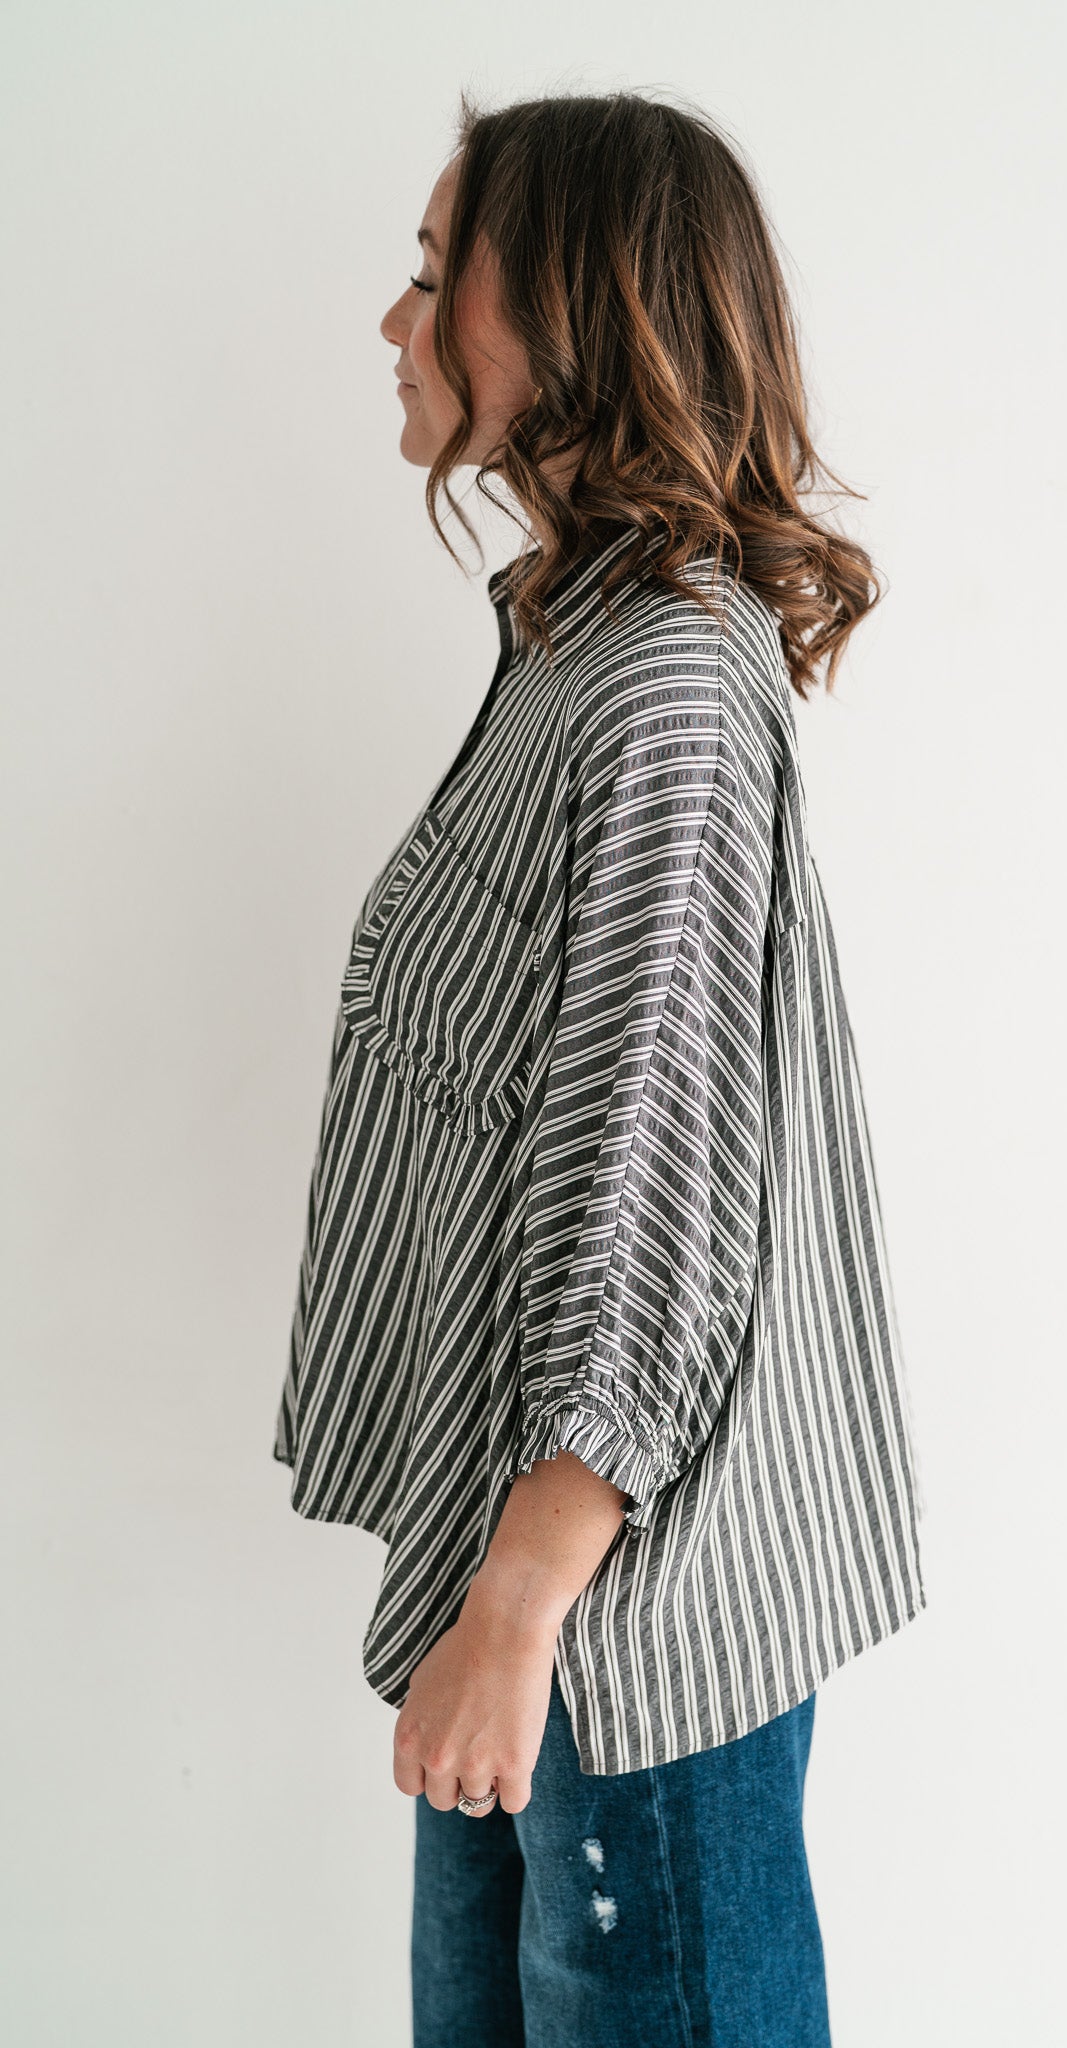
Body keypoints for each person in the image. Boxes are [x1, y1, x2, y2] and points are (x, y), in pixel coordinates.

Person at [273, 88, 927, 2048]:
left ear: (559, 310)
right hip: (536, 1581)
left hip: (612, 1622)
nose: (393, 321)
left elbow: (652, 1183)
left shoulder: (659, 683)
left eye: (429, 274)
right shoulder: (574, 643)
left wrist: (516, 1606)